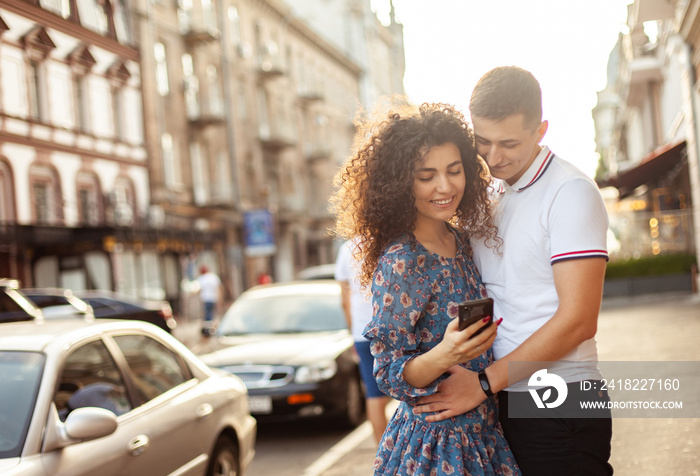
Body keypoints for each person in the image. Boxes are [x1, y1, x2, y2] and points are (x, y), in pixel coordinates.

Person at [414, 66, 613, 475]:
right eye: (482, 141)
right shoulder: (489, 193)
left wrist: (484, 383)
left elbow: (579, 321)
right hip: (503, 395)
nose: (493, 156)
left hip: (561, 396)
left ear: (541, 130)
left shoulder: (569, 192)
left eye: (508, 143)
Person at [331, 102, 519, 475]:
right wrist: (446, 353)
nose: (445, 186)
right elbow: (387, 371)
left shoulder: (463, 242)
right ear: (402, 182)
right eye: (426, 175)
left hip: (483, 431)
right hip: (435, 446)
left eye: (454, 170)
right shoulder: (402, 259)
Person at [335, 238, 390, 445]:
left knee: (374, 396)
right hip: (391, 329)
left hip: (362, 333)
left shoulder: (346, 249)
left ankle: (382, 456)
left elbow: (344, 301)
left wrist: (353, 332)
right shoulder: (390, 241)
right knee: (409, 389)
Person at [197, 265, 222, 336]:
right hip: (213, 298)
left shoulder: (201, 278)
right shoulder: (213, 277)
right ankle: (212, 329)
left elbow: (199, 289)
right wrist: (220, 299)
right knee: (212, 314)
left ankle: (209, 330)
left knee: (208, 316)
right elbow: (219, 288)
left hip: (206, 299)